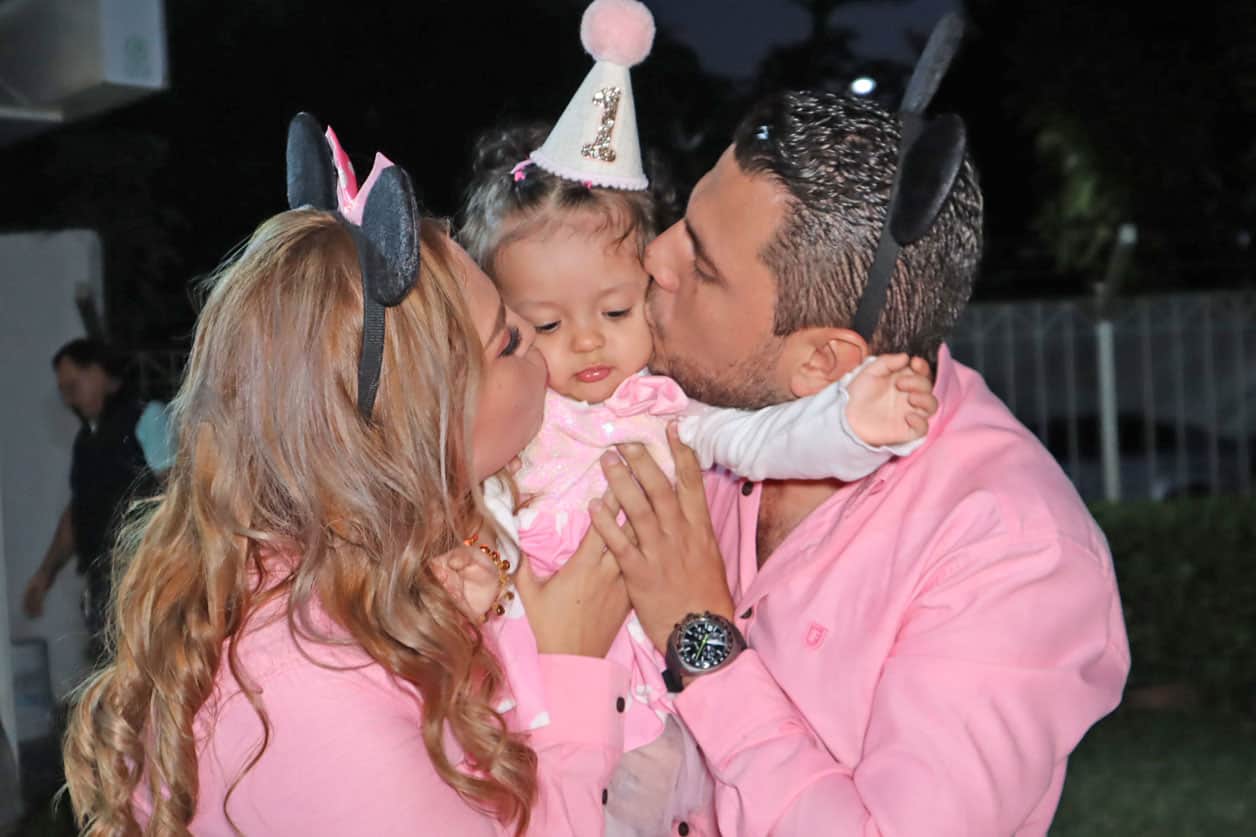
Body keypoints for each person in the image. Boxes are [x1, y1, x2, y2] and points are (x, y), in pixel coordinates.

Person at [62, 121, 633, 835]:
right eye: (511, 339)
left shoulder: (356, 582)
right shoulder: (307, 691)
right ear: (420, 426)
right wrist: (571, 667)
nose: (542, 352)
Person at [591, 90, 1132, 836]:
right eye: (684, 218)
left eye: (703, 265)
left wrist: (701, 636)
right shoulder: (677, 406)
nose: (656, 256)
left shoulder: (1011, 551)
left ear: (822, 362)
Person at [22, 338, 172, 653]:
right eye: (63, 391)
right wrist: (45, 574)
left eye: (73, 386)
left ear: (99, 372)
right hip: (104, 583)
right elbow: (78, 512)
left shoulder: (147, 418)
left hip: (148, 578)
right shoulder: (86, 440)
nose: (69, 399)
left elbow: (176, 493)